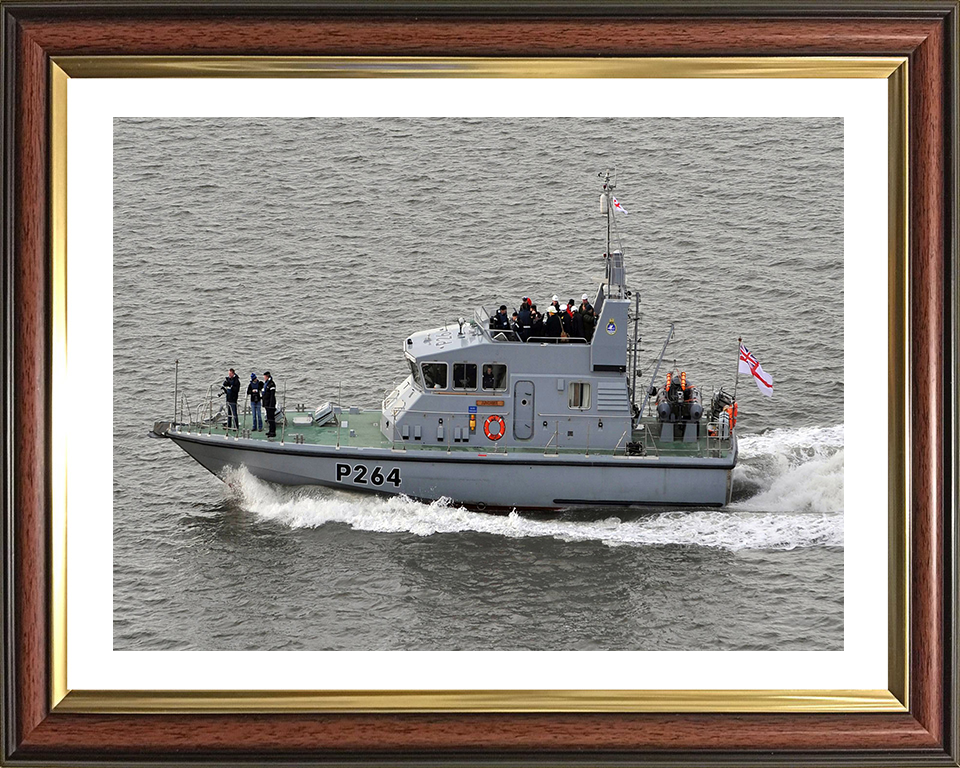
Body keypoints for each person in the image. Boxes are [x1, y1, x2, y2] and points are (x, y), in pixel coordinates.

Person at [262, 371, 277, 437]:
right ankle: (270, 430)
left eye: (264, 377)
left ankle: (273, 432)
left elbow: (272, 395)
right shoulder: (266, 384)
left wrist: (271, 405)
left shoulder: (271, 384)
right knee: (268, 418)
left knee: (271, 418)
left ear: (267, 377)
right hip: (267, 403)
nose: (264, 378)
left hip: (270, 404)